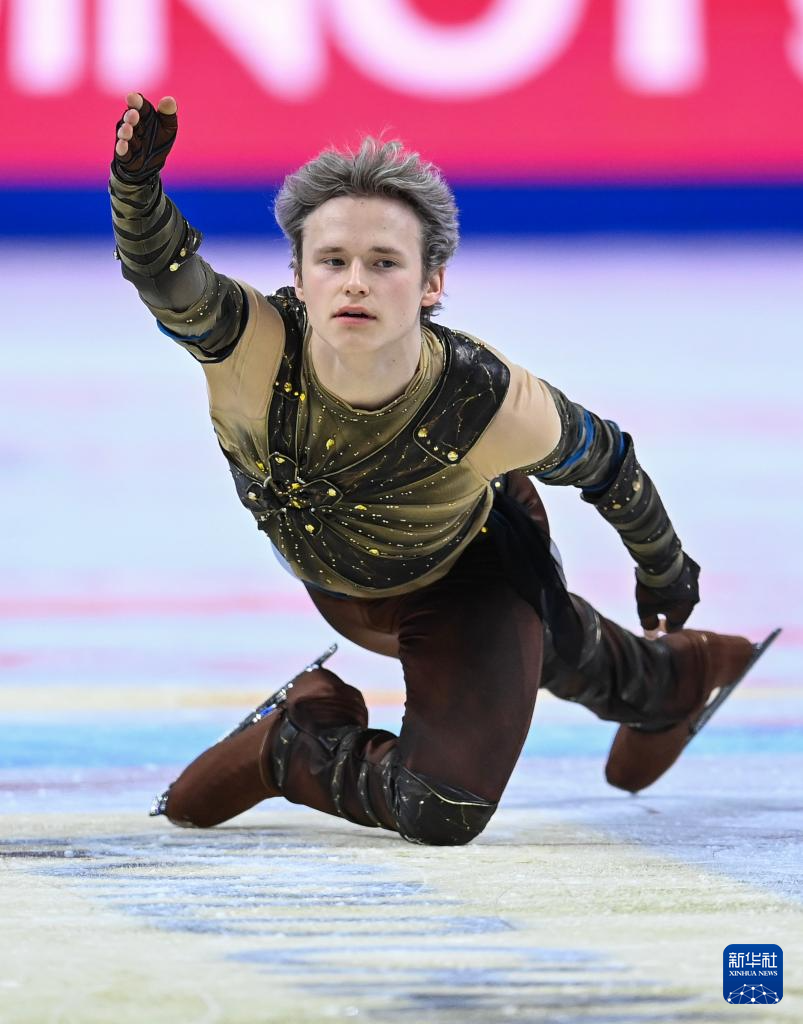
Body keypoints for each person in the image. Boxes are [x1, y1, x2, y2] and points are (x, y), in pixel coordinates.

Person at [109, 93, 769, 846]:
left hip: (470, 570)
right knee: (550, 641)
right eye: (333, 261)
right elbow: (163, 271)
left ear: (431, 284)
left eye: (384, 262)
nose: (355, 282)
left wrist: (665, 569)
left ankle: (295, 738)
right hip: (344, 582)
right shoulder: (247, 341)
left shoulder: (485, 397)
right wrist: (135, 189)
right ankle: (669, 683)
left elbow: (608, 463)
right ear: (298, 274)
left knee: (442, 809)